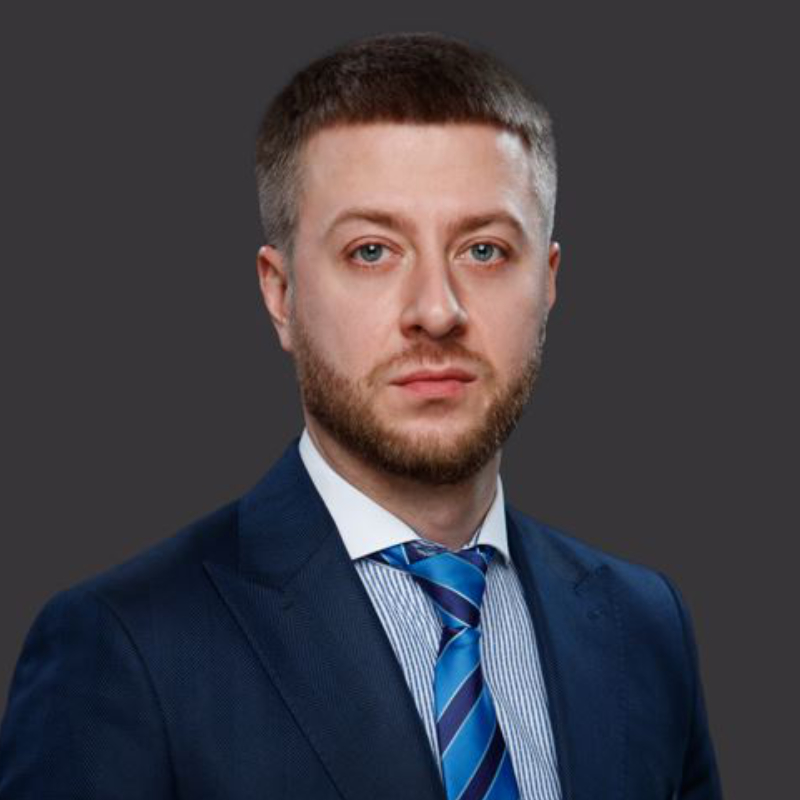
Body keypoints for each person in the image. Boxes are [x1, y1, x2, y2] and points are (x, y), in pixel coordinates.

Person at [0, 31, 723, 800]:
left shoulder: (645, 627)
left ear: (547, 282)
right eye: (372, 251)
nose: (437, 311)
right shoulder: (123, 648)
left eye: (483, 250)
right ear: (281, 294)